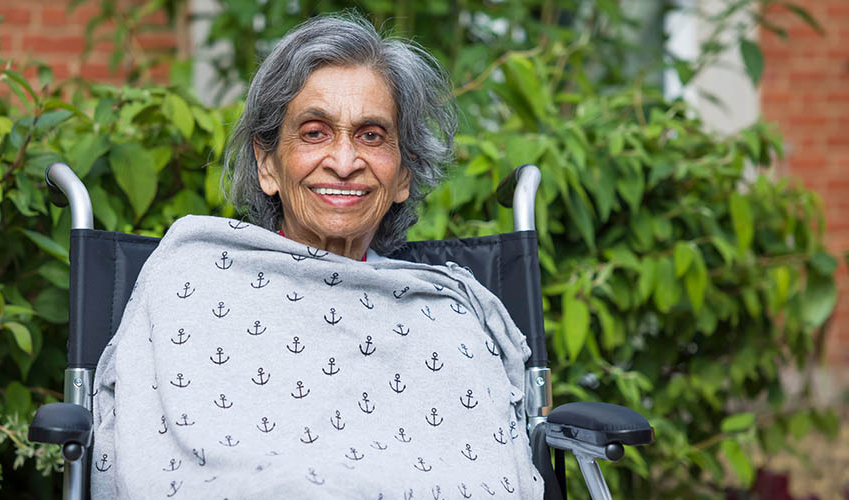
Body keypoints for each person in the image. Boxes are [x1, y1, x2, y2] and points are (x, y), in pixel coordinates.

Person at [91, 14, 543, 499]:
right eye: (314, 132)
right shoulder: (189, 281)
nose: (345, 163)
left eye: (371, 135)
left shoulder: (449, 318)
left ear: (404, 176)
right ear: (267, 165)